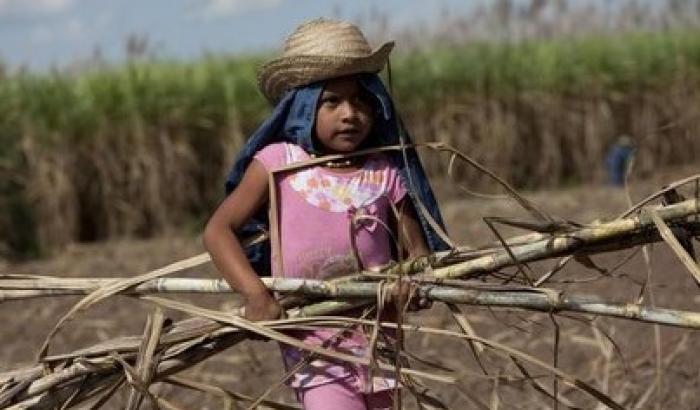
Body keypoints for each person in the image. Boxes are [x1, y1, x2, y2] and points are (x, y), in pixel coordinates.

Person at [203, 18, 449, 410]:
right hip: (315, 348)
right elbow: (219, 230)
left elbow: (417, 254)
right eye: (331, 102)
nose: (349, 113)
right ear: (302, 108)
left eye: (360, 100)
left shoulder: (385, 171)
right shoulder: (278, 164)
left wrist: (411, 283)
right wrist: (256, 295)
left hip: (380, 339)